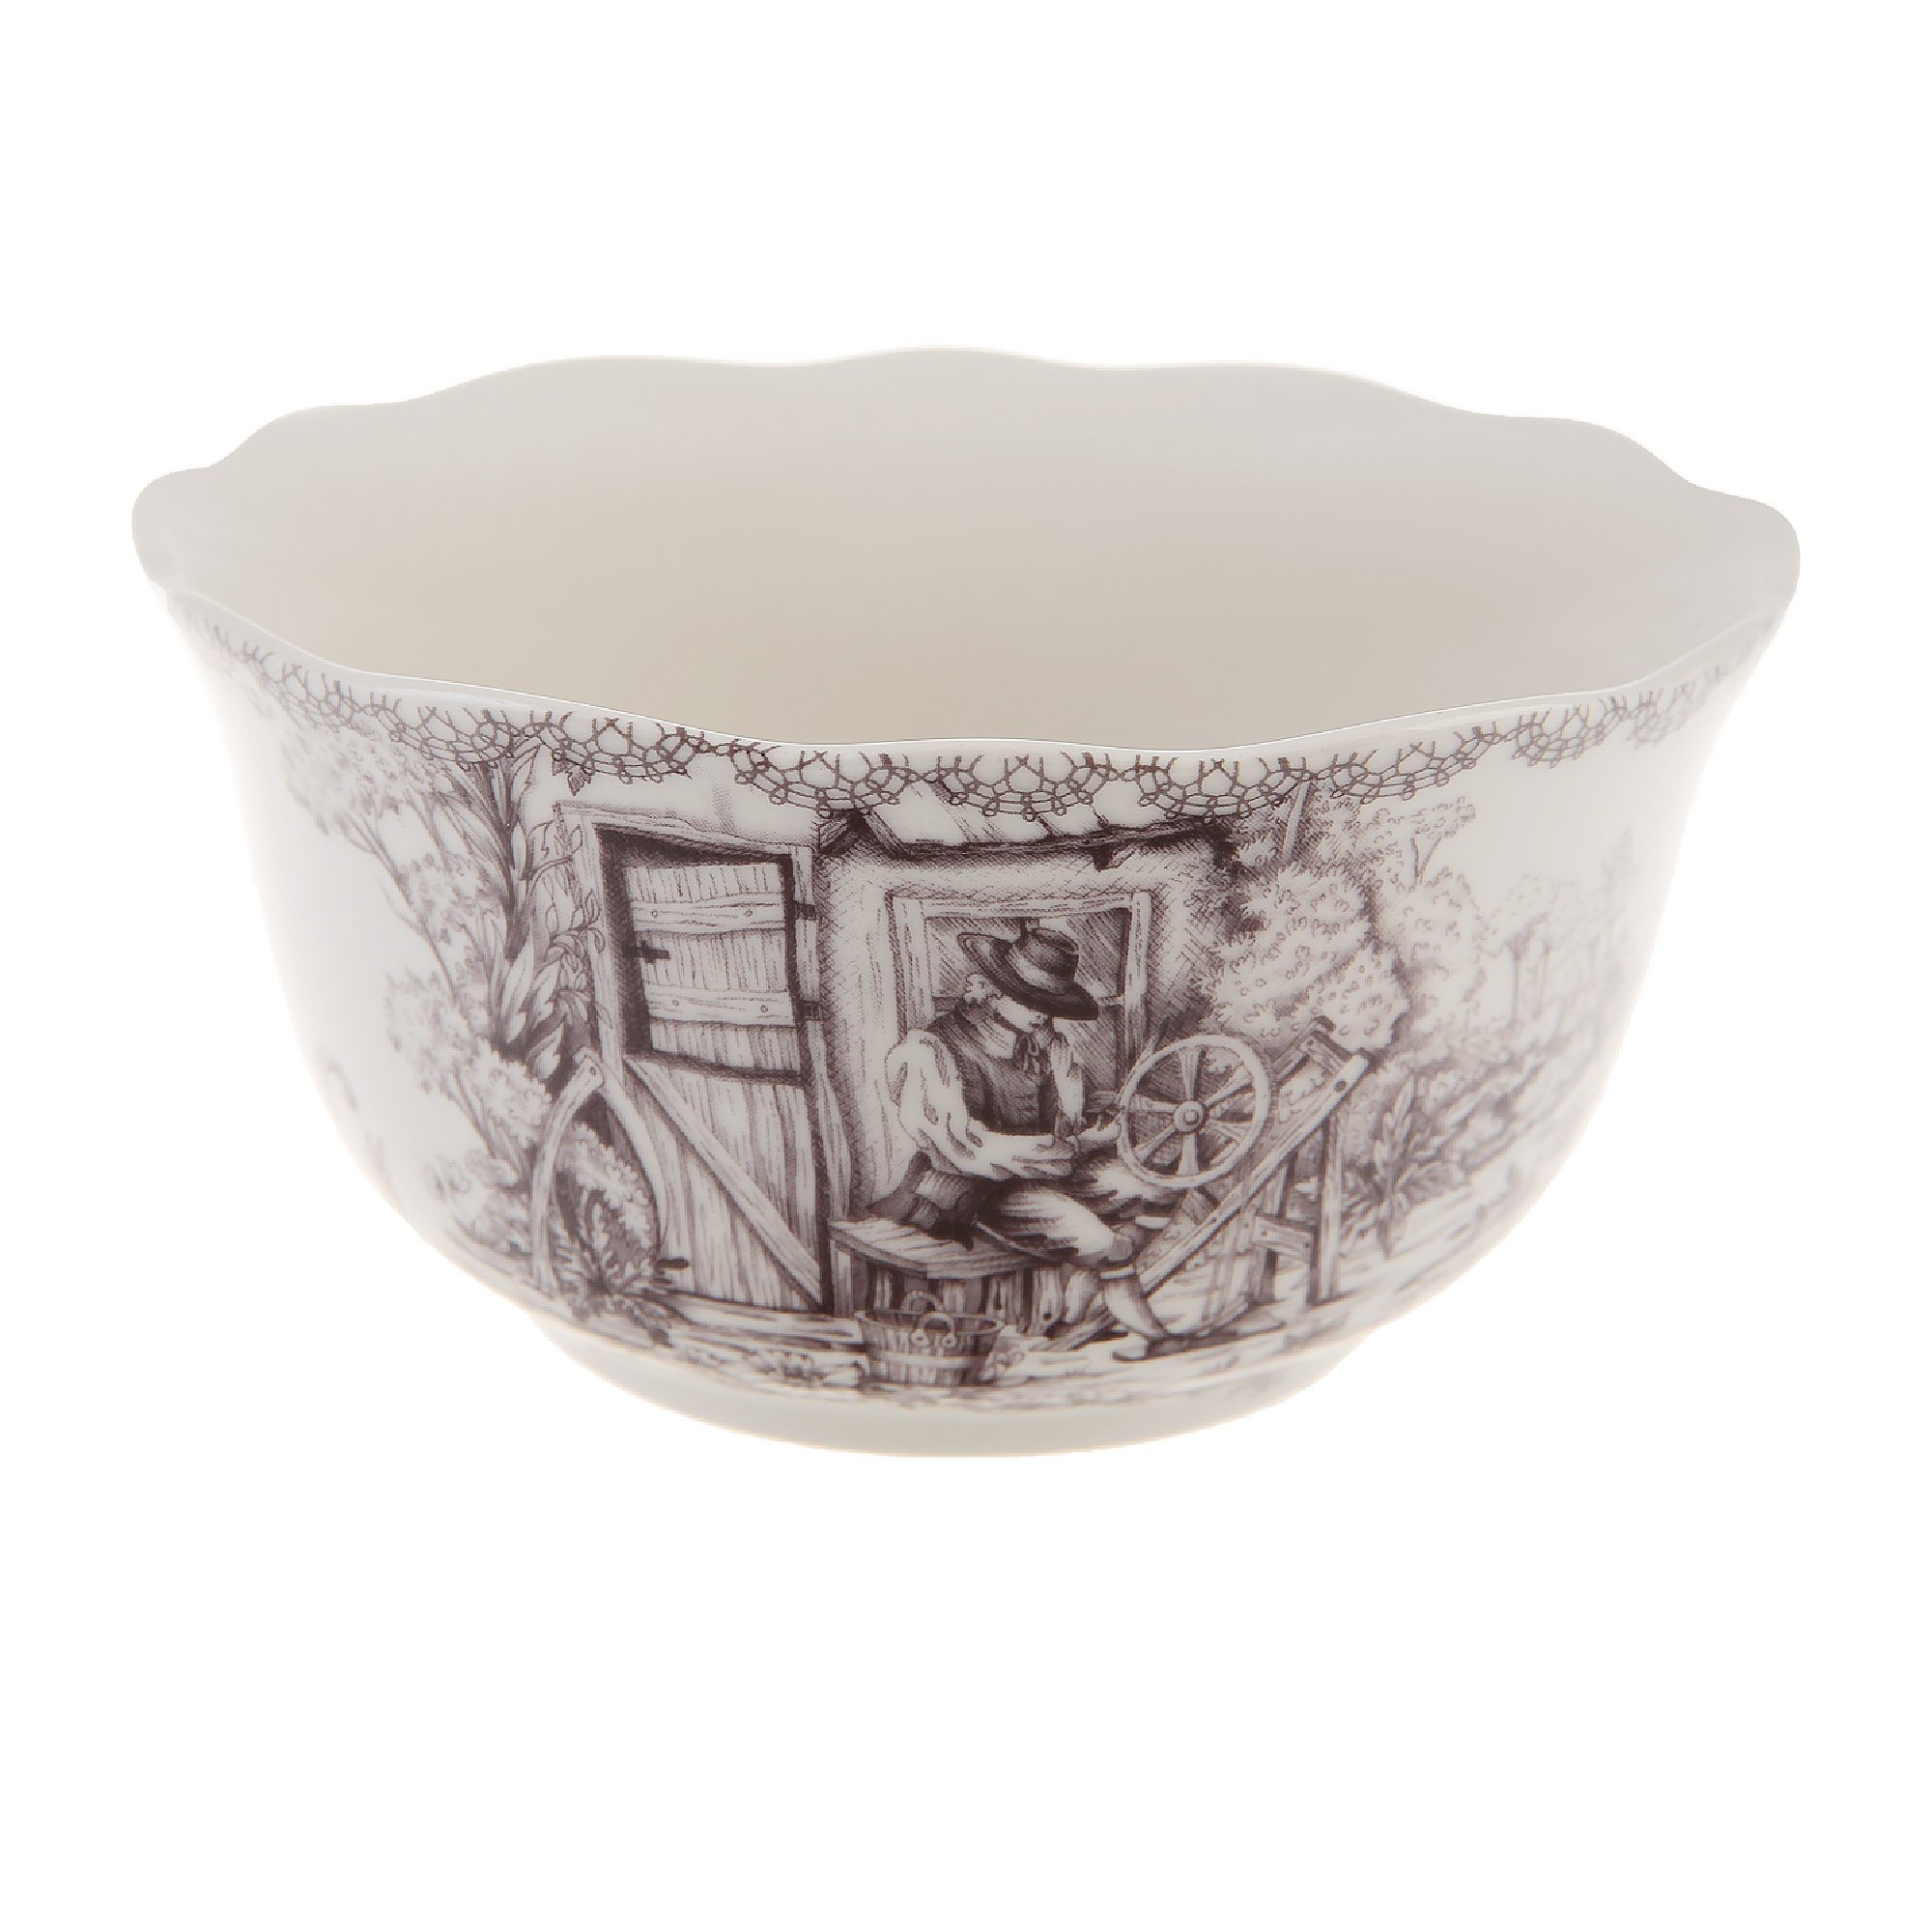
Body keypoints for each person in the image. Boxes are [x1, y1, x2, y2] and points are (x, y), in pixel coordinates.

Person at [871, 927, 1174, 1343]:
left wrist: (1081, 1115)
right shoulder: (934, 1050)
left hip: (1048, 1170)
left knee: (1155, 1191)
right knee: (1105, 1242)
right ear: (993, 992)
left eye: (1048, 1004)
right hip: (978, 1187)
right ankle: (1154, 1336)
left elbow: (1063, 1121)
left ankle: (1078, 1310)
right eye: (1031, 1000)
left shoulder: (1041, 1046)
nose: (1042, 1014)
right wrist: (1077, 1146)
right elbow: (966, 1149)